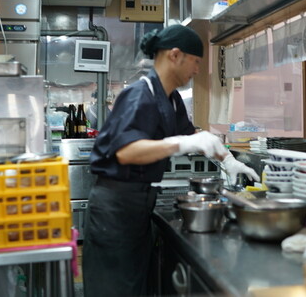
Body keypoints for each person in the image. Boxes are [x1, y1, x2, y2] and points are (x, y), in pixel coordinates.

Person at [82, 24, 259, 297]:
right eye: (196, 61)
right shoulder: (139, 94)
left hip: (139, 203)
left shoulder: (171, 99)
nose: (197, 70)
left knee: (135, 285)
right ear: (175, 55)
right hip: (114, 208)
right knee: (115, 287)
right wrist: (181, 144)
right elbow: (126, 151)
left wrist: (227, 159)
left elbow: (191, 136)